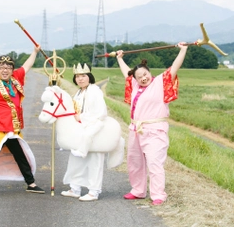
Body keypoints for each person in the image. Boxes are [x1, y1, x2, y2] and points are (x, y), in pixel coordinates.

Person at [116, 42, 188, 206]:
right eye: (139, 76)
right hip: (136, 129)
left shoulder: (160, 83)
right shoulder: (135, 84)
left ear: (149, 72)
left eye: (144, 74)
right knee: (135, 161)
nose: (142, 78)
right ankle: (138, 191)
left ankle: (158, 194)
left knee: (154, 162)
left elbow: (174, 67)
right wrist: (120, 58)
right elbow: (126, 73)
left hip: (155, 130)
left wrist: (183, 50)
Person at [0, 46, 45, 198]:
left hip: (13, 127)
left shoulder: (16, 79)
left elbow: (27, 66)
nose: (5, 70)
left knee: (20, 155)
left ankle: (30, 183)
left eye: (8, 67)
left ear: (12, 70)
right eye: (2, 68)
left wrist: (35, 52)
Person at [61, 62, 107, 202]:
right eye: (77, 76)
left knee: (94, 161)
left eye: (83, 76)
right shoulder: (79, 93)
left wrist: (81, 117)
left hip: (94, 128)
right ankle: (75, 188)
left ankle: (94, 192)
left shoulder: (94, 91)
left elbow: (100, 113)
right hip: (81, 129)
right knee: (75, 160)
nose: (80, 79)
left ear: (89, 76)